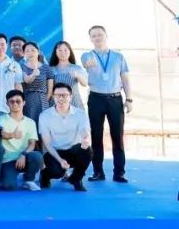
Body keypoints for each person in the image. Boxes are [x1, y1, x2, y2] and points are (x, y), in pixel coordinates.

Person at [81, 25, 131, 183]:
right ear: (91, 39)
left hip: (115, 99)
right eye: (94, 36)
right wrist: (88, 64)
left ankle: (119, 173)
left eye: (100, 34)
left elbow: (125, 78)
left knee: (118, 137)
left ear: (106, 35)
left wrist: (129, 99)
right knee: (96, 136)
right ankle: (98, 172)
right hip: (96, 98)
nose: (97, 38)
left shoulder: (118, 56)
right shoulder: (87, 55)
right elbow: (85, 64)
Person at [39, 83, 93, 191]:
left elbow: (84, 131)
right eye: (57, 95)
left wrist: (85, 139)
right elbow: (47, 144)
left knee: (88, 151)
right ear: (53, 97)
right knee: (57, 172)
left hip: (73, 150)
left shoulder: (80, 114)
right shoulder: (45, 115)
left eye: (64, 95)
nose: (61, 98)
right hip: (55, 152)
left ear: (71, 97)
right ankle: (45, 175)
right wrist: (60, 160)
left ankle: (76, 179)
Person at [0, 90, 43, 191]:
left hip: (24, 157)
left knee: (37, 156)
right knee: (9, 186)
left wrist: (23, 154)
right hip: (7, 160)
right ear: (7, 103)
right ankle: (7, 175)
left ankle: (29, 180)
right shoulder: (0, 120)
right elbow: (2, 134)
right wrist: (12, 135)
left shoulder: (30, 122)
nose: (15, 104)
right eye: (12, 101)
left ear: (24, 103)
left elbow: (32, 144)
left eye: (18, 101)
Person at [20, 42, 53, 124]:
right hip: (26, 101)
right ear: (24, 53)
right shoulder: (21, 66)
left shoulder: (46, 68)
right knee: (28, 125)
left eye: (33, 50)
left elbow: (50, 90)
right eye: (27, 51)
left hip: (43, 101)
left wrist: (45, 101)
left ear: (38, 52)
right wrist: (34, 74)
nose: (30, 53)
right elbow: (27, 80)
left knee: (43, 125)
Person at [49, 41, 88, 111]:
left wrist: (78, 75)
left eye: (65, 50)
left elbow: (85, 83)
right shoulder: (51, 69)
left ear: (70, 52)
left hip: (74, 102)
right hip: (56, 103)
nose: (63, 53)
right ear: (55, 52)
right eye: (60, 50)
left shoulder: (77, 68)